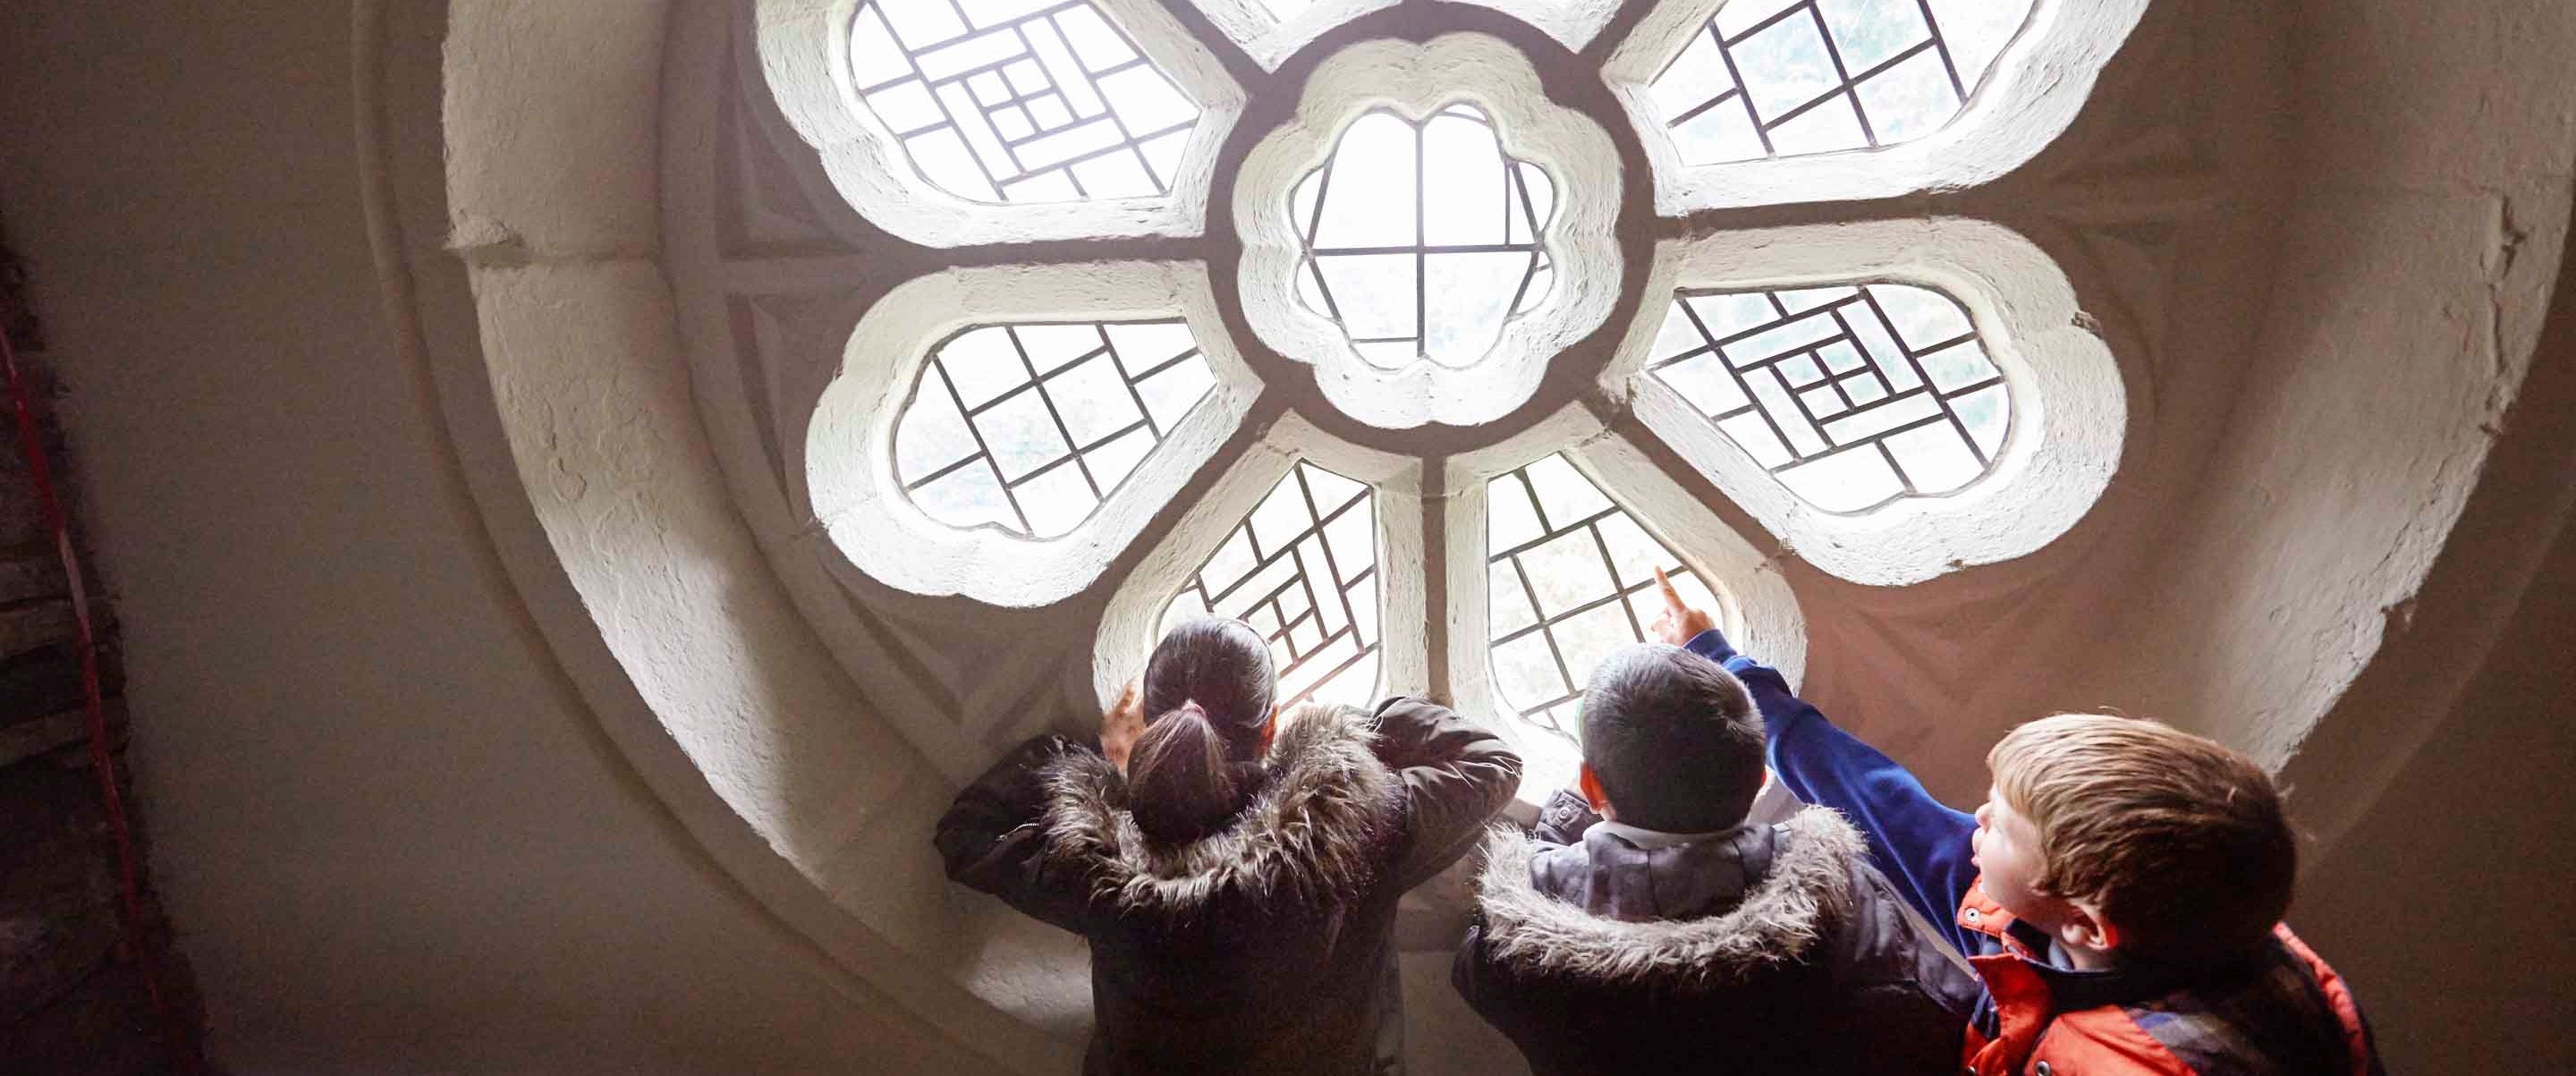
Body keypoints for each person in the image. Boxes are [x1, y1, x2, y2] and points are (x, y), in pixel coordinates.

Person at [1649, 571, 2385, 1076]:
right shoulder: (2187, 910)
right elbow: (1877, 799)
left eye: (2001, 825)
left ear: (2089, 926)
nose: (1975, 816)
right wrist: (1720, 663)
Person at [935, 616, 1521, 1076]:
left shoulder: (1095, 864)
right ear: (1271, 726)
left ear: (1148, 723)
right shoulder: (1353, 831)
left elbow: (967, 833)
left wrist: (1072, 759)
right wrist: (1357, 722)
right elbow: (1493, 764)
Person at [1451, 637, 1979, 1075]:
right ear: (1759, 781)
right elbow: (1941, 1010)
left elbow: (1477, 978)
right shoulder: (1848, 897)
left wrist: (1561, 829)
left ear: (1592, 785)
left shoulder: (1524, 931)